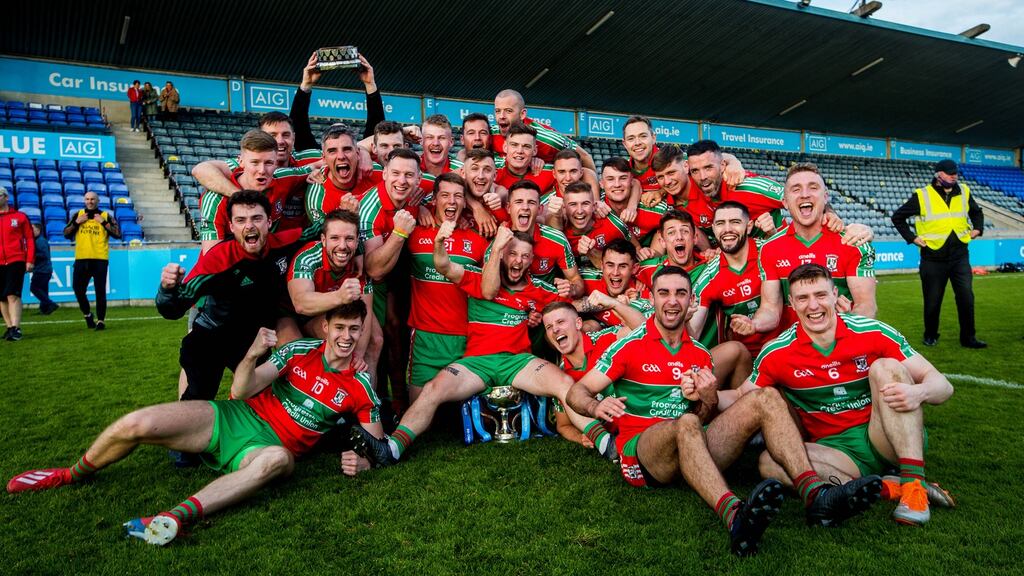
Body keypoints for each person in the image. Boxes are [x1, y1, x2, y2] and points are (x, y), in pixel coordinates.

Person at [7, 302, 383, 546]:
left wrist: (365, 460)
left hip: (266, 449)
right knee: (138, 422)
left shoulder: (362, 384)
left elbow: (376, 443)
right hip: (235, 417)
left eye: (354, 329)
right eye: (340, 328)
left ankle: (173, 518)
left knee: (277, 462)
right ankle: (69, 474)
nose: (346, 337)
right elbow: (242, 388)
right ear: (325, 327)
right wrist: (252, 353)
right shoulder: (299, 350)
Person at [566, 266, 882, 556]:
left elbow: (704, 415)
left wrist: (708, 399)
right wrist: (596, 405)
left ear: (691, 300)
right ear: (651, 298)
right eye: (664, 293)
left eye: (680, 293)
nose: (672, 301)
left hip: (693, 449)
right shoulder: (630, 345)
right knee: (686, 422)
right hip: (645, 456)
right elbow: (576, 391)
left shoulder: (701, 354)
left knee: (767, 398)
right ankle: (735, 515)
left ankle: (816, 494)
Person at [349, 226, 618, 465]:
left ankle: (607, 443)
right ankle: (392, 448)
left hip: (518, 361)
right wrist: (440, 241)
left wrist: (607, 302)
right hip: (476, 362)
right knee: (432, 390)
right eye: (512, 254)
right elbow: (443, 265)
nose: (518, 261)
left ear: (531, 261)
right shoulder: (478, 279)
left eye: (525, 256)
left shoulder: (538, 291)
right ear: (501, 254)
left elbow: (573, 310)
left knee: (565, 385)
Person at [724, 264, 956, 527]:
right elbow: (741, 397)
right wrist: (706, 393)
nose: (813, 305)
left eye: (820, 295)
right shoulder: (777, 352)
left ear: (835, 294)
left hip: (886, 436)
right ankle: (891, 489)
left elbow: (943, 385)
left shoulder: (872, 331)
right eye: (803, 298)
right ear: (791, 303)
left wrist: (919, 392)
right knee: (769, 463)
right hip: (836, 452)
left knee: (887, 367)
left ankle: (914, 487)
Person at [156, 191, 319, 403]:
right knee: (198, 403)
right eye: (240, 220)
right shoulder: (218, 260)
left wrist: (344, 208)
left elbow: (317, 230)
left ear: (269, 222)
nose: (249, 226)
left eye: (256, 218)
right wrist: (167, 289)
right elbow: (173, 309)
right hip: (211, 339)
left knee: (265, 405)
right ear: (231, 227)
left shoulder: (283, 243)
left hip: (251, 343)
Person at [739, 163, 876, 337]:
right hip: (795, 347)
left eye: (813, 187)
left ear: (825, 197)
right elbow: (770, 309)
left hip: (844, 340)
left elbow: (867, 306)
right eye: (796, 189)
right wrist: (754, 323)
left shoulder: (852, 241)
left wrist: (850, 321)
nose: (805, 194)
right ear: (785, 202)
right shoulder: (769, 248)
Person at [891, 159, 986, 348]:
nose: (954, 176)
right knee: (933, 300)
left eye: (955, 173)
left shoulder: (964, 191)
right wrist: (912, 238)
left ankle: (968, 338)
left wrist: (978, 228)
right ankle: (931, 334)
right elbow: (898, 217)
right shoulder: (922, 195)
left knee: (966, 297)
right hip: (933, 258)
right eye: (949, 173)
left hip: (960, 255)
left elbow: (977, 212)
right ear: (938, 175)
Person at [63, 191, 119, 330]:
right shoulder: (78, 215)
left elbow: (118, 234)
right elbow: (66, 233)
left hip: (100, 258)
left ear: (98, 200)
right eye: (87, 199)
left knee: (100, 291)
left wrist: (104, 222)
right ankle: (87, 314)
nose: (90, 201)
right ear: (84, 201)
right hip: (82, 258)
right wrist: (76, 223)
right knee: (78, 289)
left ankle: (101, 321)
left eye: (92, 199)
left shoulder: (105, 216)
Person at [0, 186, 34, 341]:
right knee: (1, 298)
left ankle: (16, 327)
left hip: (16, 259)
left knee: (12, 294)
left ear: (6, 197)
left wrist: (29, 260)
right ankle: (8, 327)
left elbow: (30, 239)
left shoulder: (20, 217)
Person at [29, 222, 58, 315]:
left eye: (32, 229)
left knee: (34, 288)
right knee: (43, 289)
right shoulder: (39, 240)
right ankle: (45, 309)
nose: (30, 231)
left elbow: (43, 255)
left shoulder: (40, 241)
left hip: (42, 270)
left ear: (38, 230)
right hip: (44, 269)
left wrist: (30, 256)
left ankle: (51, 304)